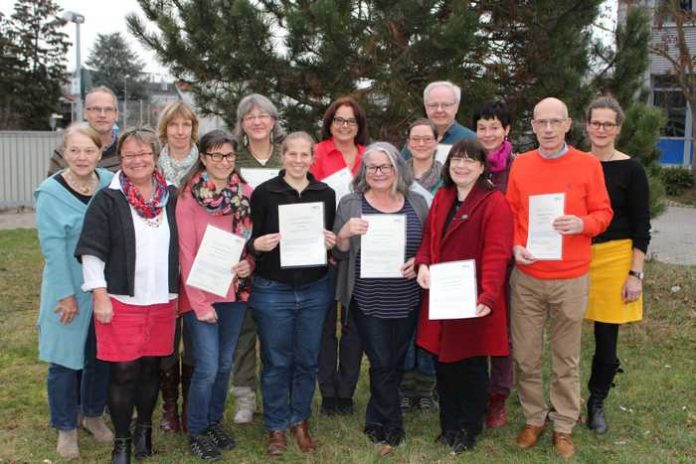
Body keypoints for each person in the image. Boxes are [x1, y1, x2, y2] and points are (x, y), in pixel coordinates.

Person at [506, 97, 613, 459]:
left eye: (555, 122)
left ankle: (564, 425)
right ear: (532, 126)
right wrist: (515, 246)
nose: (548, 129)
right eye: (541, 122)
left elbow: (603, 212)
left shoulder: (587, 165)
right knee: (526, 355)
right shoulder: (520, 165)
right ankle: (535, 417)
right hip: (528, 277)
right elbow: (512, 214)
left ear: (568, 125)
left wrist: (583, 224)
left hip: (571, 277)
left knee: (566, 357)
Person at [75, 127, 179, 464]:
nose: (137, 160)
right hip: (121, 300)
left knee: (151, 369)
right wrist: (100, 296)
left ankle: (144, 429)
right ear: (121, 159)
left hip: (163, 299)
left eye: (144, 153)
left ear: (155, 156)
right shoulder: (109, 198)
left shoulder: (171, 197)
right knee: (123, 372)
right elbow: (92, 252)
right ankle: (121, 442)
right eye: (129, 155)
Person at [415, 138, 513, 453]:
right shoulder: (442, 197)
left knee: (470, 366)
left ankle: (468, 428)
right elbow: (429, 239)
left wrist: (487, 297)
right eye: (456, 159)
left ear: (482, 167)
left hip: (472, 299)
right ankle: (449, 425)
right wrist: (423, 264)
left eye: (470, 160)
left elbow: (497, 254)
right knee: (444, 364)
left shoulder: (493, 202)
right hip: (443, 295)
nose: (461, 165)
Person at [333, 142, 428, 448]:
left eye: (385, 166)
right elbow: (339, 252)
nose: (378, 173)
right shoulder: (350, 203)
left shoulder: (417, 203)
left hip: (407, 296)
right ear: (364, 171)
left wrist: (421, 262)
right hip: (366, 297)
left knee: (395, 359)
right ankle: (393, 423)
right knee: (381, 359)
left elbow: (428, 245)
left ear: (397, 169)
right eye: (371, 167)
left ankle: (375, 416)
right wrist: (345, 233)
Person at [247, 131, 336, 455]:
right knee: (276, 361)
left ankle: (299, 419)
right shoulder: (264, 193)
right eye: (292, 154)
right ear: (282, 156)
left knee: (307, 360)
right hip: (273, 289)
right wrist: (256, 245)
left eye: (304, 155)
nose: (298, 161)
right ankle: (275, 426)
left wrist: (330, 243)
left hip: (314, 288)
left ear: (313, 158)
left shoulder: (325, 193)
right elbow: (249, 239)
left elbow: (329, 243)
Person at [35, 123, 115, 459]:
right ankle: (66, 427)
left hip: (103, 288)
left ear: (100, 153)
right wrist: (66, 296)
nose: (82, 157)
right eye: (74, 150)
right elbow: (52, 249)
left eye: (89, 150)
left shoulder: (111, 185)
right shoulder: (50, 193)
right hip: (64, 285)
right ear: (64, 153)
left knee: (99, 357)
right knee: (65, 363)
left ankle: (93, 415)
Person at [176, 130, 254, 460]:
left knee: (224, 365)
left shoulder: (245, 192)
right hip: (200, 296)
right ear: (204, 158)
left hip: (234, 294)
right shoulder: (188, 197)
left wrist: (249, 264)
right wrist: (200, 303)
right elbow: (185, 252)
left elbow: (251, 242)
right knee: (207, 367)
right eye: (216, 155)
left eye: (229, 156)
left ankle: (212, 422)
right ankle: (195, 430)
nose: (223, 162)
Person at [584, 96, 651, 435]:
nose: (601, 129)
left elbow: (642, 227)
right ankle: (560, 399)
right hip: (578, 255)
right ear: (586, 126)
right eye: (596, 123)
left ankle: (596, 401)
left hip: (615, 258)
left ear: (618, 128)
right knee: (564, 336)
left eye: (608, 124)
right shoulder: (577, 164)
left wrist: (635, 274)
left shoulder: (631, 169)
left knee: (606, 338)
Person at [229, 93, 285, 424]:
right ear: (242, 124)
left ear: (274, 120)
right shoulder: (232, 159)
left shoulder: (287, 154)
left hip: (284, 254)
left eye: (263, 115)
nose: (258, 121)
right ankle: (245, 397)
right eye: (250, 116)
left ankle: (276, 392)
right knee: (244, 331)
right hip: (243, 254)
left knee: (277, 333)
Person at [311, 96, 368, 416]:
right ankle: (328, 391)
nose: (345, 126)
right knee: (323, 325)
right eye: (338, 120)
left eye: (351, 121)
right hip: (321, 248)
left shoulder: (368, 156)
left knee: (352, 325)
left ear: (359, 126)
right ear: (329, 123)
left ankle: (346, 391)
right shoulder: (316, 154)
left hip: (359, 251)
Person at [156, 101, 200, 434]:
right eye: (174, 125)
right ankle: (169, 408)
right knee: (168, 339)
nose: (180, 131)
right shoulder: (151, 167)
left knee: (196, 340)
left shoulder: (206, 164)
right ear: (165, 129)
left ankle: (191, 407)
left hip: (199, 262)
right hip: (161, 262)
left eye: (186, 125)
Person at [473, 101, 515, 428]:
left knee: (503, 332)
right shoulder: (467, 164)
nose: (488, 133)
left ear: (507, 130)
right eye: (482, 127)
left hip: (509, 262)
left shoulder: (518, 168)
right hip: (471, 260)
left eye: (494, 127)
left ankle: (498, 397)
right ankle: (473, 392)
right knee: (473, 326)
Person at [399, 118, 441, 413]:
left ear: (437, 142)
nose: (422, 144)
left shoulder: (448, 176)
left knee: (429, 327)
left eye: (428, 138)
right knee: (404, 327)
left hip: (436, 261)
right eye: (416, 138)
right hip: (399, 260)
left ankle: (426, 386)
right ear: (408, 142)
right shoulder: (397, 175)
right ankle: (404, 386)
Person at [48, 86, 121, 175]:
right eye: (96, 109)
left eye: (108, 109)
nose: (102, 115)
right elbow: (51, 187)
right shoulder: (64, 151)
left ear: (116, 114)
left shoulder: (126, 151)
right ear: (85, 113)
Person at [402, 81, 476, 160]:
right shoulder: (415, 140)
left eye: (446, 105)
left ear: (456, 106)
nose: (439, 110)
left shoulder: (472, 140)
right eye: (433, 105)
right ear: (426, 107)